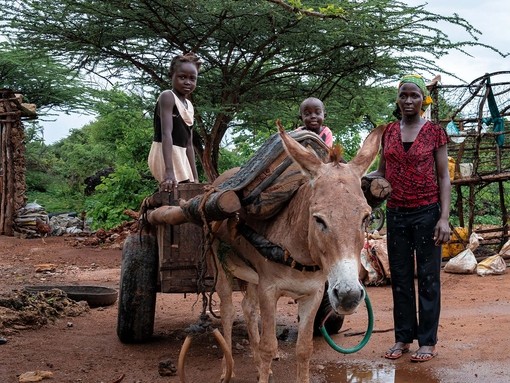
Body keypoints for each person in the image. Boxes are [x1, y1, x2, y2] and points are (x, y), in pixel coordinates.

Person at [367, 74, 451, 362]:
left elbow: (444, 177)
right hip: (396, 214)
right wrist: (357, 176)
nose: (408, 100)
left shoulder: (435, 133)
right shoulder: (389, 132)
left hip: (427, 213)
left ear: (423, 99)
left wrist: (444, 218)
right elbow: (382, 171)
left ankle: (427, 341)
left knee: (428, 279)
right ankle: (403, 337)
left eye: (414, 95)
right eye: (403, 95)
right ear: (397, 99)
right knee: (400, 278)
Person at [148, 52, 201, 192]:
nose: (188, 82)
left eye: (192, 78)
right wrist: (169, 171)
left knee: (191, 191)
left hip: (181, 156)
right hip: (166, 155)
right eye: (182, 77)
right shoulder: (167, 97)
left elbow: (189, 144)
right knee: (175, 196)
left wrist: (195, 177)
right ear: (172, 75)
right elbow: (166, 134)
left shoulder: (189, 105)